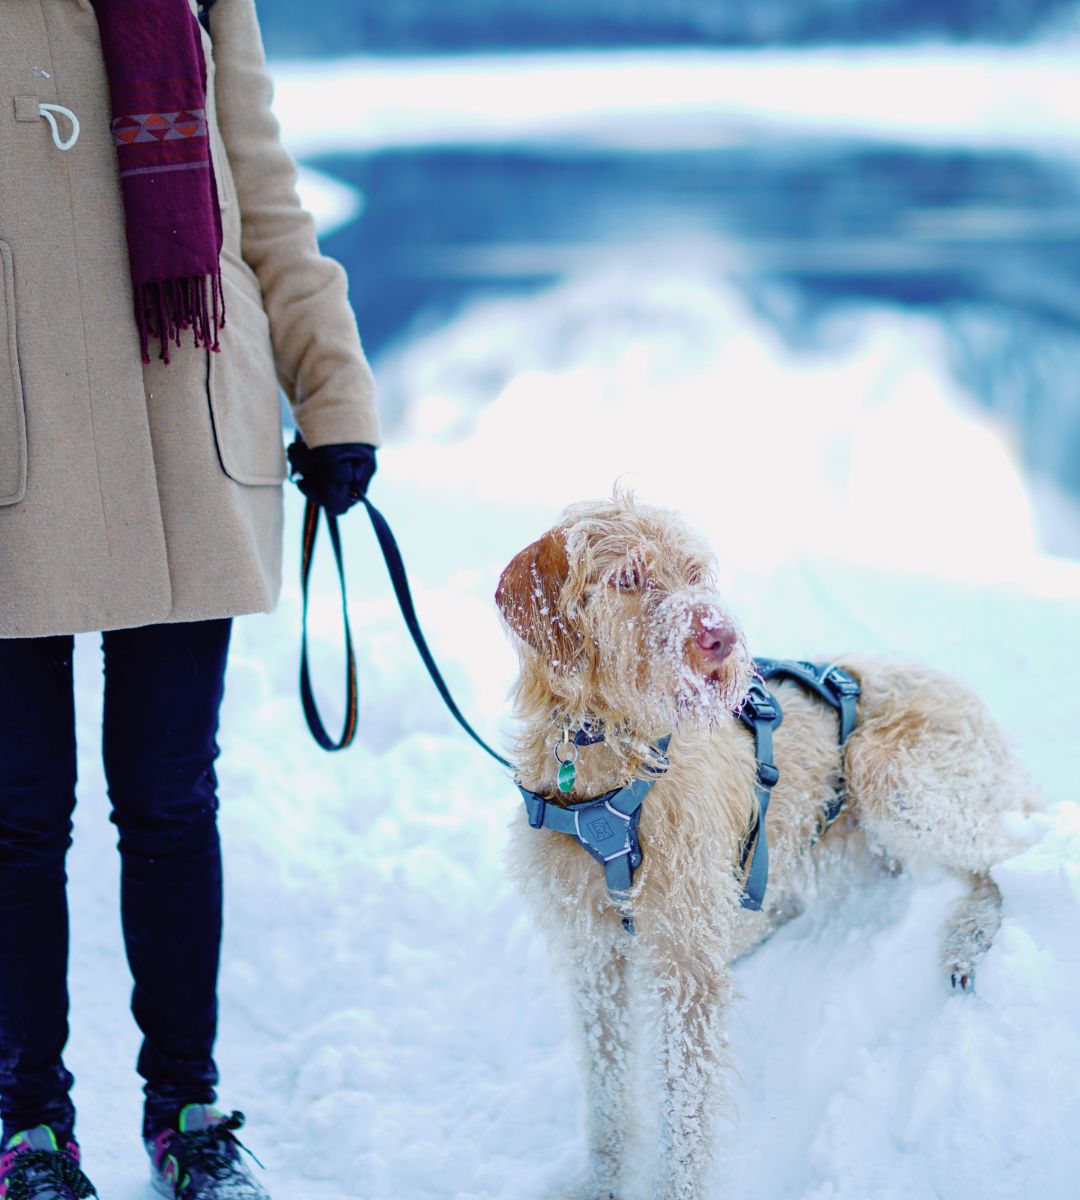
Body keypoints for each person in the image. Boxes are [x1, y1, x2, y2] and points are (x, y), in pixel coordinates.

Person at [0, 1, 381, 1196]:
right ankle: (29, 1130)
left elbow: (264, 195)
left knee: (169, 797)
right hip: (19, 443)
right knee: (16, 818)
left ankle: (189, 1111)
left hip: (186, 422)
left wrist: (335, 398)